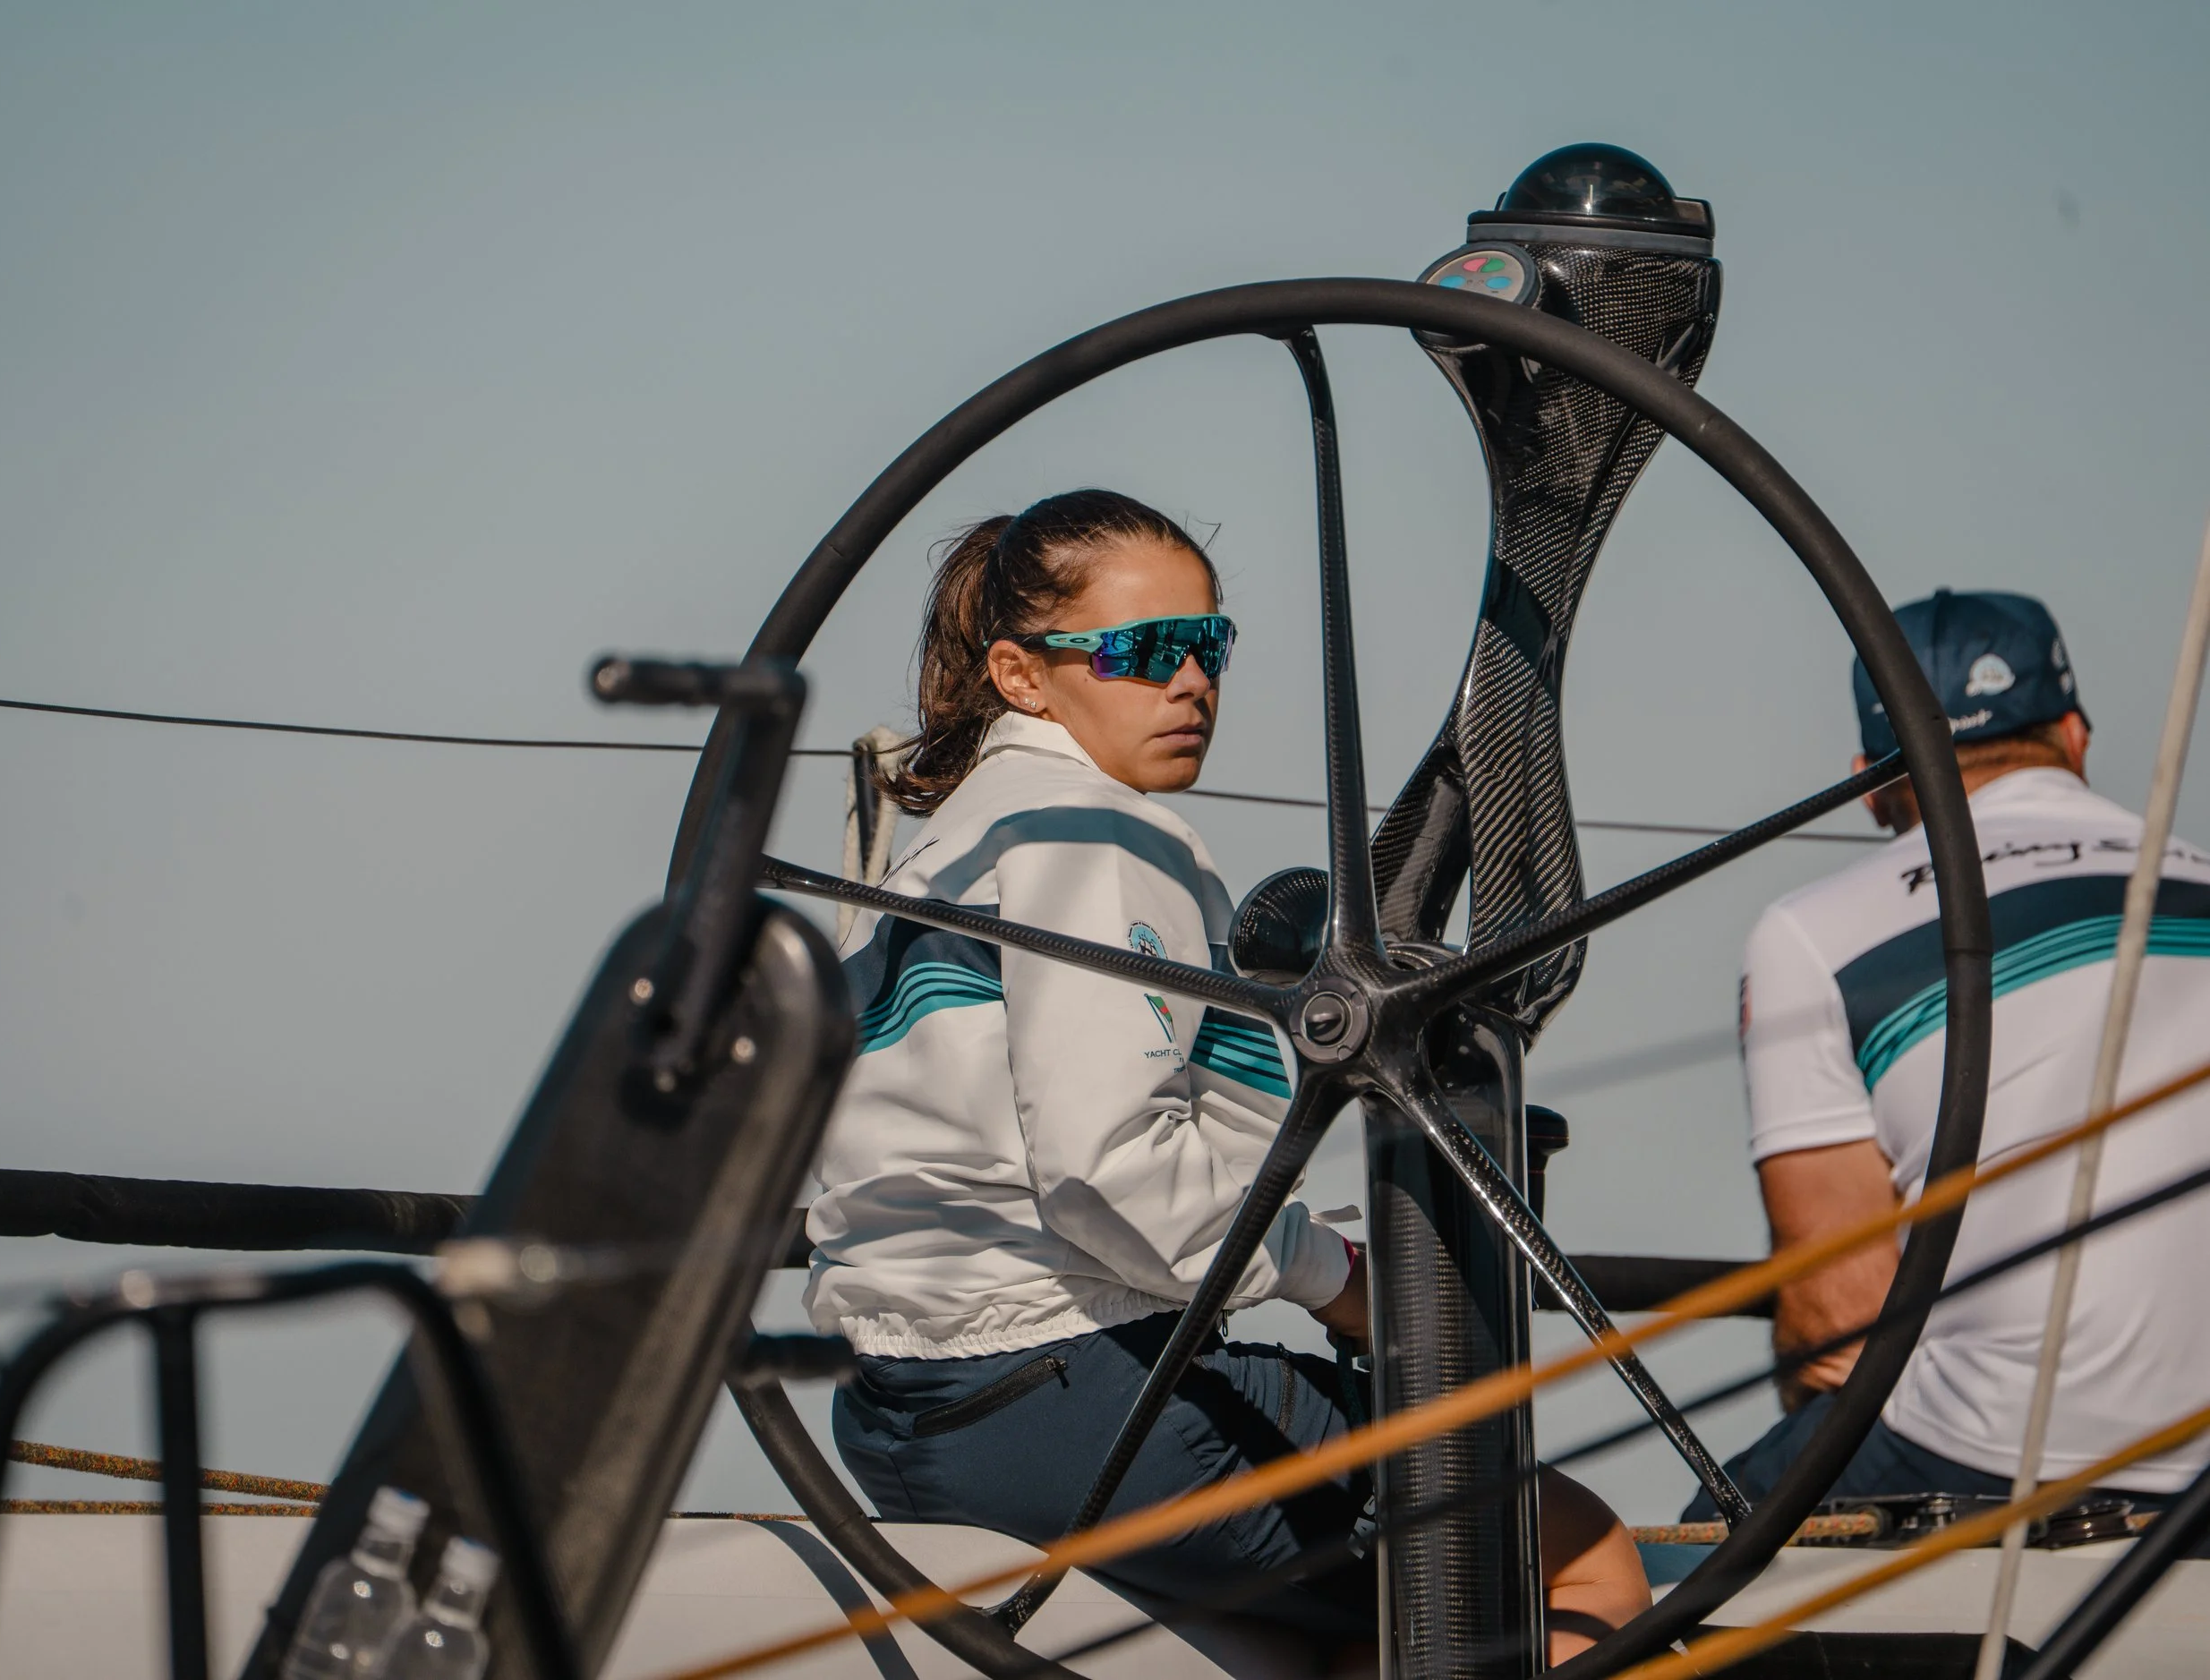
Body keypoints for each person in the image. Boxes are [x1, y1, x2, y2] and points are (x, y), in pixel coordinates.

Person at [806, 489, 1650, 1661]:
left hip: (899, 1416)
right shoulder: (1103, 832)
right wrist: (1334, 1271)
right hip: (1087, 1404)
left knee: (1354, 1651)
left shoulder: (940, 849)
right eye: (1146, 652)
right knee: (1573, 1554)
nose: (1192, 681)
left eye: (1209, 645)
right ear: (1020, 673)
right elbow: (1112, 1175)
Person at [1684, 589, 2210, 1522]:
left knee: (1703, 1545)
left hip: (2003, 1448)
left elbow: (1837, 1317)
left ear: (1868, 781)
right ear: (2075, 732)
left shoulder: (1812, 933)